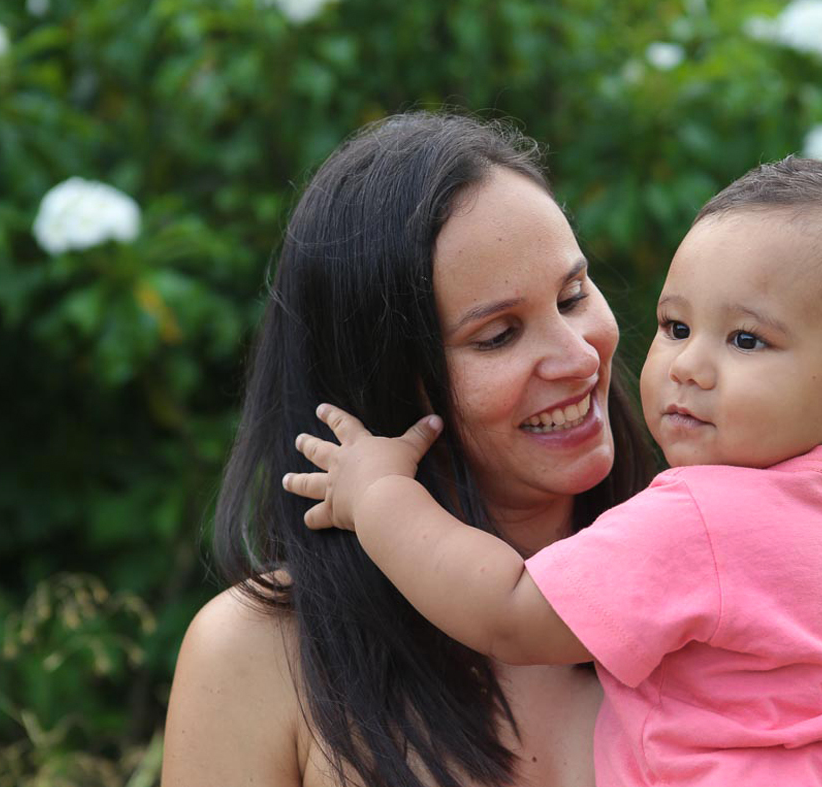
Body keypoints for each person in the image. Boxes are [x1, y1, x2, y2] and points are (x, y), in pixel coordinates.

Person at [286, 157, 822, 787]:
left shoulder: (693, 519)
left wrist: (378, 494)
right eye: (675, 327)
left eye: (747, 340)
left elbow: (510, 612)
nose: (688, 366)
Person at [161, 112, 655, 787]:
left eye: (572, 297)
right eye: (499, 336)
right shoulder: (256, 654)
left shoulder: (709, 588)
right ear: (388, 385)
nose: (577, 357)